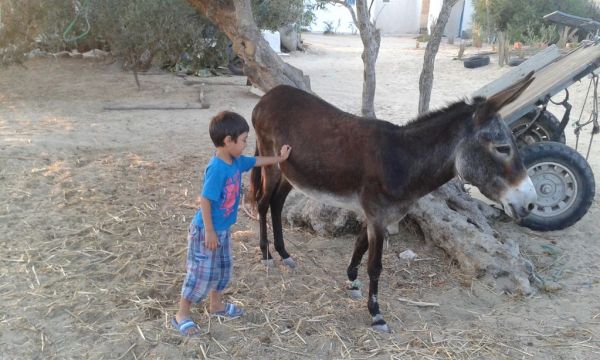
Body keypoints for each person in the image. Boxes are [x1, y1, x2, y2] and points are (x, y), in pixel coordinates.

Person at [172, 111, 292, 336]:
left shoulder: (236, 162)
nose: (246, 144)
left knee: (222, 269)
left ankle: (215, 305)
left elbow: (257, 161)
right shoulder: (217, 168)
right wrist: (209, 231)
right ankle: (182, 314)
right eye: (244, 140)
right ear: (228, 141)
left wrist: (280, 159)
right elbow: (205, 200)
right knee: (200, 272)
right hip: (205, 232)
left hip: (223, 230)